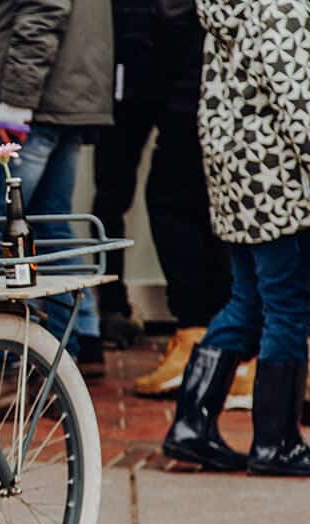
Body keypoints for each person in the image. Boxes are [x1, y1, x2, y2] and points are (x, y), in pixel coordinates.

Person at [161, 0, 310, 476]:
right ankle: (277, 442)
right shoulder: (280, 5)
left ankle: (191, 424)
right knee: (288, 307)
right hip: (278, 179)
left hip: (239, 177)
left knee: (248, 302)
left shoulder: (228, 9)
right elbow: (298, 101)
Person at [91, 0, 249, 407]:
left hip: (191, 92)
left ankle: (202, 341)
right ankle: (221, 346)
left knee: (174, 204)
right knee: (201, 209)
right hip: (206, 92)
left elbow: (171, 15)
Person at [0, 0, 113, 376]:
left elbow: (42, 11)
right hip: (63, 96)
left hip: (29, 103)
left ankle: (3, 359)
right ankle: (81, 338)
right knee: (53, 229)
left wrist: (16, 101)